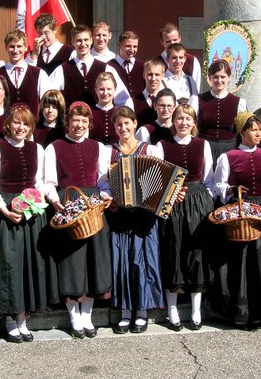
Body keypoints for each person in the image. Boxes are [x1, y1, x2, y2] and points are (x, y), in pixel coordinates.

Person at [0, 104, 58, 343]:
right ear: (8, 123)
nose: (21, 128)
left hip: (31, 213)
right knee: (10, 266)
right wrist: (3, 210)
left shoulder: (38, 149)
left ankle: (23, 320)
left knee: (28, 266)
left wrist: (50, 202)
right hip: (6, 213)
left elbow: (40, 182)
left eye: (26, 124)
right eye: (17, 122)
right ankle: (9, 321)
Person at [43, 101, 112, 339]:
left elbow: (103, 181)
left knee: (94, 260)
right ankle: (74, 316)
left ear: (89, 124)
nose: (79, 125)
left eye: (84, 121)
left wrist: (104, 197)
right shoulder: (55, 147)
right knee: (72, 261)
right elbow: (49, 182)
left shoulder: (99, 148)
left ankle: (88, 316)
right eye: (75, 121)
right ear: (68, 122)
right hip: (69, 204)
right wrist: (55, 201)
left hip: (93, 206)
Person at [211, 112, 261, 329]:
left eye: (259, 129)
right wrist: (232, 189)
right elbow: (218, 186)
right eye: (252, 129)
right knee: (241, 264)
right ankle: (241, 313)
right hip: (241, 215)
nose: (257, 133)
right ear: (242, 132)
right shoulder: (228, 157)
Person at [154, 103, 215, 331]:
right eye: (180, 118)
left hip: (198, 203)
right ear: (174, 121)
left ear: (194, 122)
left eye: (188, 119)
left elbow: (209, 178)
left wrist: (205, 199)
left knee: (197, 253)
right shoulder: (162, 145)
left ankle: (196, 309)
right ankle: (172, 310)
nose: (183, 122)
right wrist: (170, 193)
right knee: (174, 251)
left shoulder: (203, 145)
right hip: (173, 204)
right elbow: (157, 179)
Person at [108, 106, 164, 334]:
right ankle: (124, 311)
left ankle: (141, 311)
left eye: (127, 124)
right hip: (121, 214)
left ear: (134, 124)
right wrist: (110, 198)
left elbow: (160, 179)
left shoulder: (150, 149)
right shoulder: (109, 152)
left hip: (144, 215)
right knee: (122, 261)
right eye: (119, 124)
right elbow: (104, 182)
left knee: (142, 261)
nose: (123, 128)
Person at [49, 24, 133, 109]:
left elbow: (124, 100)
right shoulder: (62, 70)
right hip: (73, 121)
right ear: (72, 42)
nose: (83, 44)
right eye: (79, 40)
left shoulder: (106, 68)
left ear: (91, 41)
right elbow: (49, 96)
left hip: (98, 121)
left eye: (86, 40)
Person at [0, 29, 52, 116]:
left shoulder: (39, 74)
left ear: (26, 47)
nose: (15, 50)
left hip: (32, 127)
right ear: (6, 47)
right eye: (12, 46)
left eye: (19, 46)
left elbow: (48, 102)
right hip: (5, 126)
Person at [198, 59, 247, 163]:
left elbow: (243, 130)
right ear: (210, 78)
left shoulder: (239, 102)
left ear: (229, 78)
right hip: (204, 149)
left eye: (223, 77)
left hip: (230, 150)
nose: (219, 80)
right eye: (215, 77)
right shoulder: (198, 99)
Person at [158, 22, 202, 93]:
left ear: (180, 38)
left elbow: (196, 89)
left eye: (175, 40)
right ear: (162, 42)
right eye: (168, 41)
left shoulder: (192, 61)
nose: (172, 43)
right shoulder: (157, 63)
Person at [162, 43, 199, 112]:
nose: (178, 61)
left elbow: (195, 105)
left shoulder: (190, 81)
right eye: (174, 58)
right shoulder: (162, 81)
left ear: (185, 59)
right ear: (167, 59)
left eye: (181, 57)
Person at [108, 31, 144, 97]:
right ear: (119, 46)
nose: (132, 50)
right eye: (128, 46)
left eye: (135, 46)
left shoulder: (142, 66)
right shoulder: (109, 66)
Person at [132, 58, 166, 127]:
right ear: (144, 75)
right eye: (150, 74)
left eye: (157, 75)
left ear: (163, 76)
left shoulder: (169, 101)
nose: (153, 79)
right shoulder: (132, 102)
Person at [89, 73, 118, 145]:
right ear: (96, 90)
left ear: (115, 89)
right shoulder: (89, 113)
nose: (105, 93)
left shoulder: (120, 112)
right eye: (101, 89)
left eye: (109, 89)